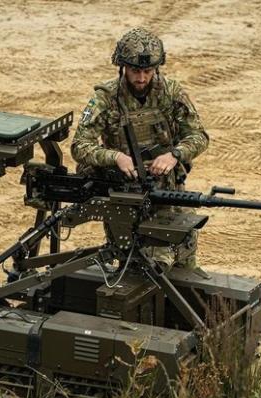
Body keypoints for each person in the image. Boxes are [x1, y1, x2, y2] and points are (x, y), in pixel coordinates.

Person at [70, 27, 210, 272]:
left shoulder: (171, 93)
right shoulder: (105, 98)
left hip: (169, 191)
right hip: (126, 197)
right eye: (135, 71)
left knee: (184, 253)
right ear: (122, 67)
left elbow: (199, 136)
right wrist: (115, 157)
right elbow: (79, 146)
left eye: (148, 71)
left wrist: (174, 155)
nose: (142, 78)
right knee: (140, 267)